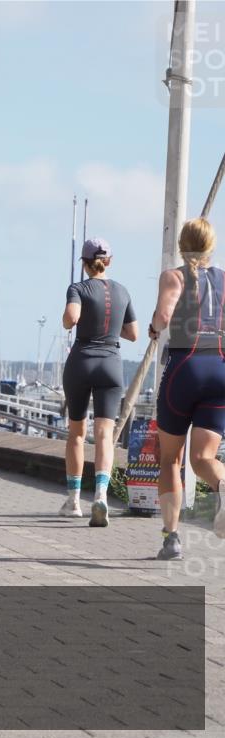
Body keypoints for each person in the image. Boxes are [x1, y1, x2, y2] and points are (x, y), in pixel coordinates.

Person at [148, 218, 225, 560]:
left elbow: (164, 316)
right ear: (211, 246)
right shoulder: (224, 279)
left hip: (185, 366)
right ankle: (223, 485)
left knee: (171, 459)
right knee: (203, 458)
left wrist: (153, 327)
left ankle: (172, 538)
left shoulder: (174, 276)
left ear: (182, 245)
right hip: (220, 368)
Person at [59, 238, 138, 526]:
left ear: (84, 263)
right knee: (105, 434)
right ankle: (101, 495)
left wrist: (70, 321)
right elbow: (133, 334)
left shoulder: (78, 288)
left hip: (82, 361)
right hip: (111, 364)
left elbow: (71, 318)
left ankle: (73, 501)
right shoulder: (122, 291)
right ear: (109, 261)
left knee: (77, 433)